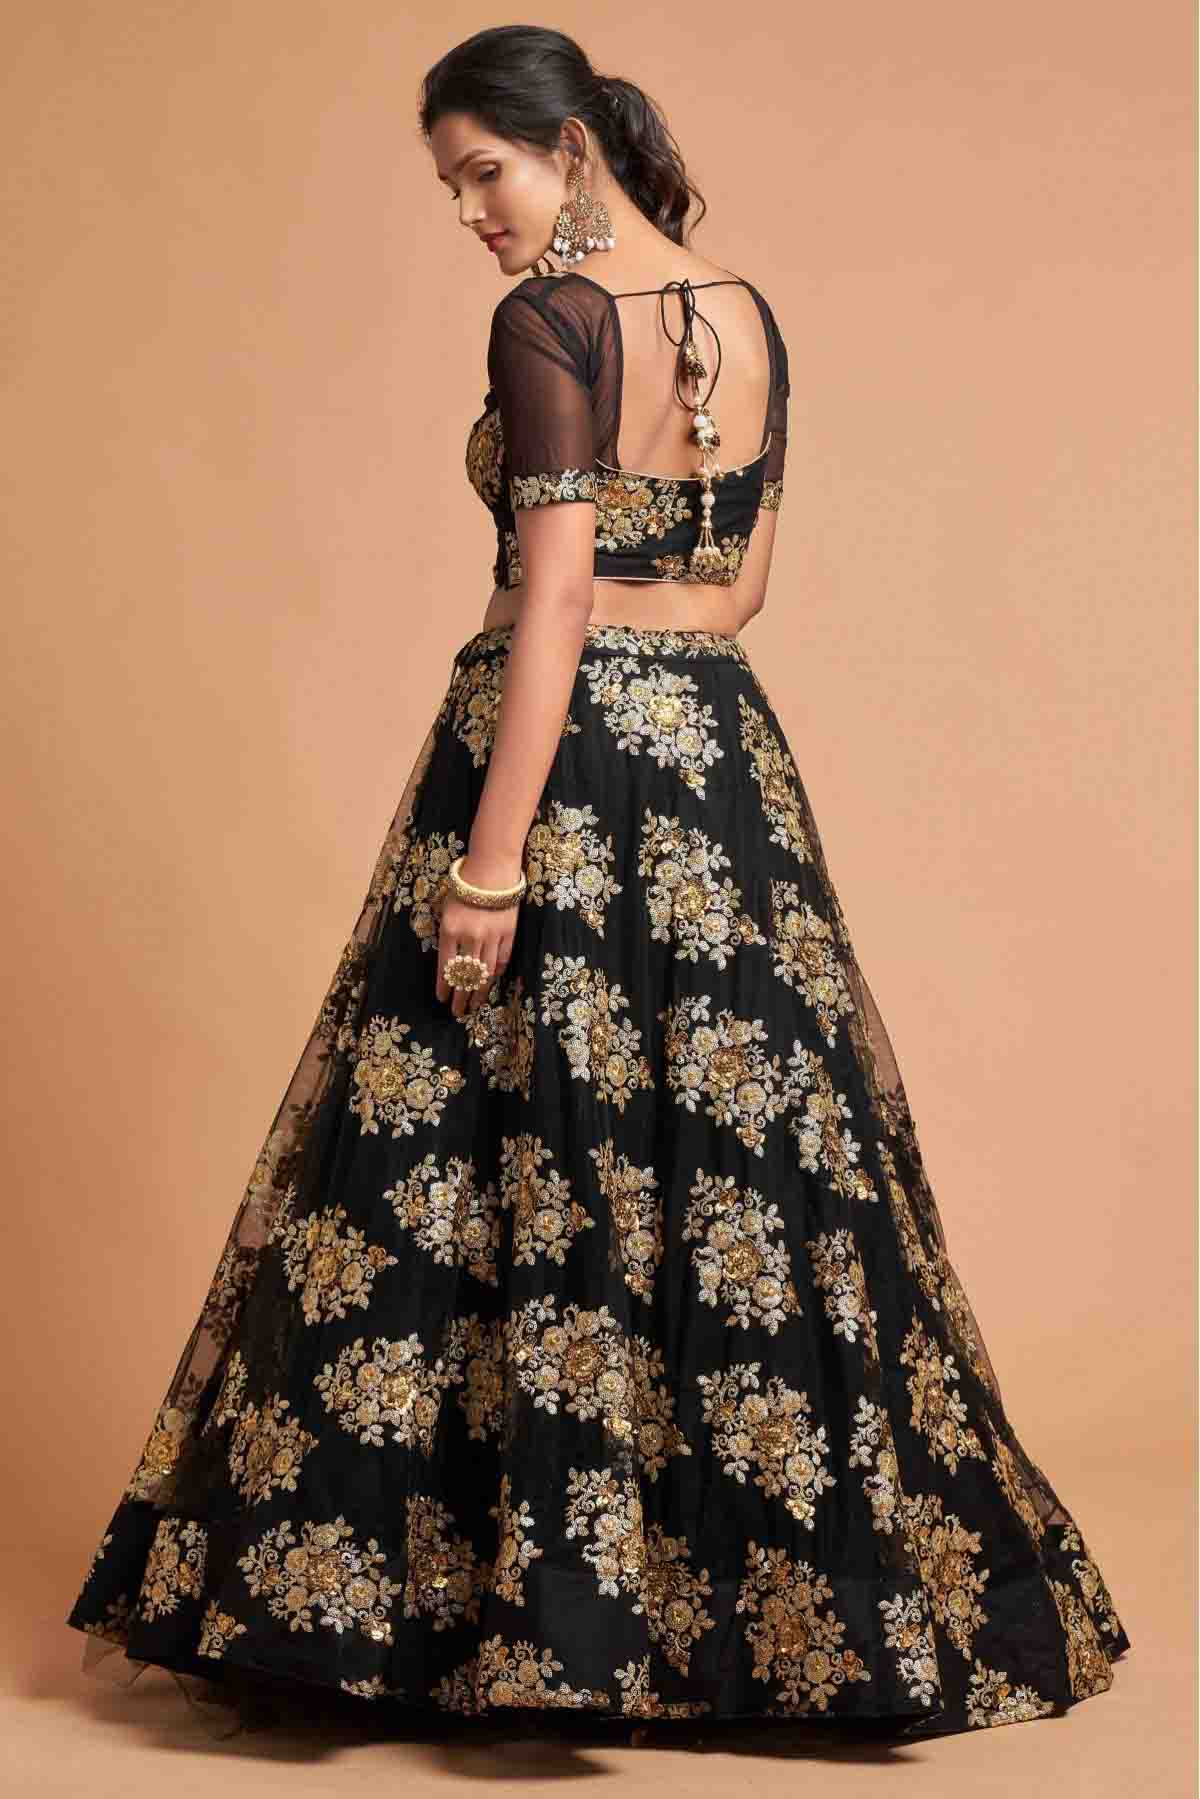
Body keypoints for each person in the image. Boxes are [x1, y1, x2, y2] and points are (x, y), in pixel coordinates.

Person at [65, 24, 1130, 1751]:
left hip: (551, 760)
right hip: (717, 762)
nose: (470, 212)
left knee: (490, 1155)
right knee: (728, 1161)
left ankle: (492, 1613)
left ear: (572, 146)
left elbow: (554, 592)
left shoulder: (550, 317)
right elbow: (742, 587)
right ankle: (771, 1618)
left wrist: (492, 861)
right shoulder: (750, 314)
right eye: (450, 186)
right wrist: (657, 653)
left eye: (483, 171)